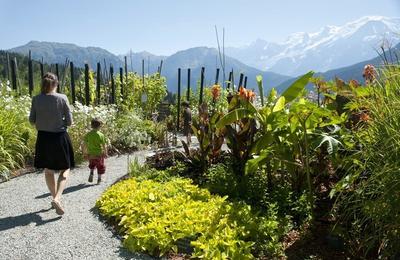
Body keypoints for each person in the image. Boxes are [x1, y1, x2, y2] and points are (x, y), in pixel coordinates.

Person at [29, 72, 74, 216]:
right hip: (59, 137)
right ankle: (57, 198)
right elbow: (70, 122)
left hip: (43, 139)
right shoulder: (62, 98)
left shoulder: (36, 99)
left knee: (48, 170)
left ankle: (54, 199)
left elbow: (32, 120)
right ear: (56, 83)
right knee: (65, 168)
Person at [83, 118, 107, 184]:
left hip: (91, 154)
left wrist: (85, 153)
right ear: (99, 126)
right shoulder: (101, 135)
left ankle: (91, 172)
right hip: (99, 154)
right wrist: (105, 153)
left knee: (92, 164)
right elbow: (104, 145)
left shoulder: (88, 135)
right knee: (100, 166)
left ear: (91, 126)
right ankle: (99, 179)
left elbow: (84, 145)